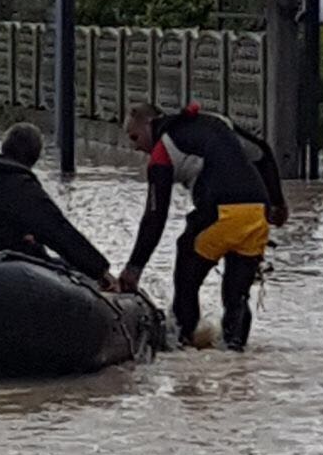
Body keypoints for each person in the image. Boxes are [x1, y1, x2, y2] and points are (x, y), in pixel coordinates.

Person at [119, 103, 288, 350]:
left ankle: (182, 342)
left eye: (134, 137)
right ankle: (236, 358)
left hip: (221, 213)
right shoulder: (218, 121)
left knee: (187, 268)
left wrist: (134, 268)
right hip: (256, 213)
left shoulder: (162, 151)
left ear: (149, 124)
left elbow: (155, 216)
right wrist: (278, 202)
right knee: (237, 295)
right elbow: (261, 153)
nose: (134, 145)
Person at [0, 122, 116, 287]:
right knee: (68, 270)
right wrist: (99, 270)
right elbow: (57, 230)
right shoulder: (19, 186)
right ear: (35, 157)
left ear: (4, 148)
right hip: (1, 269)